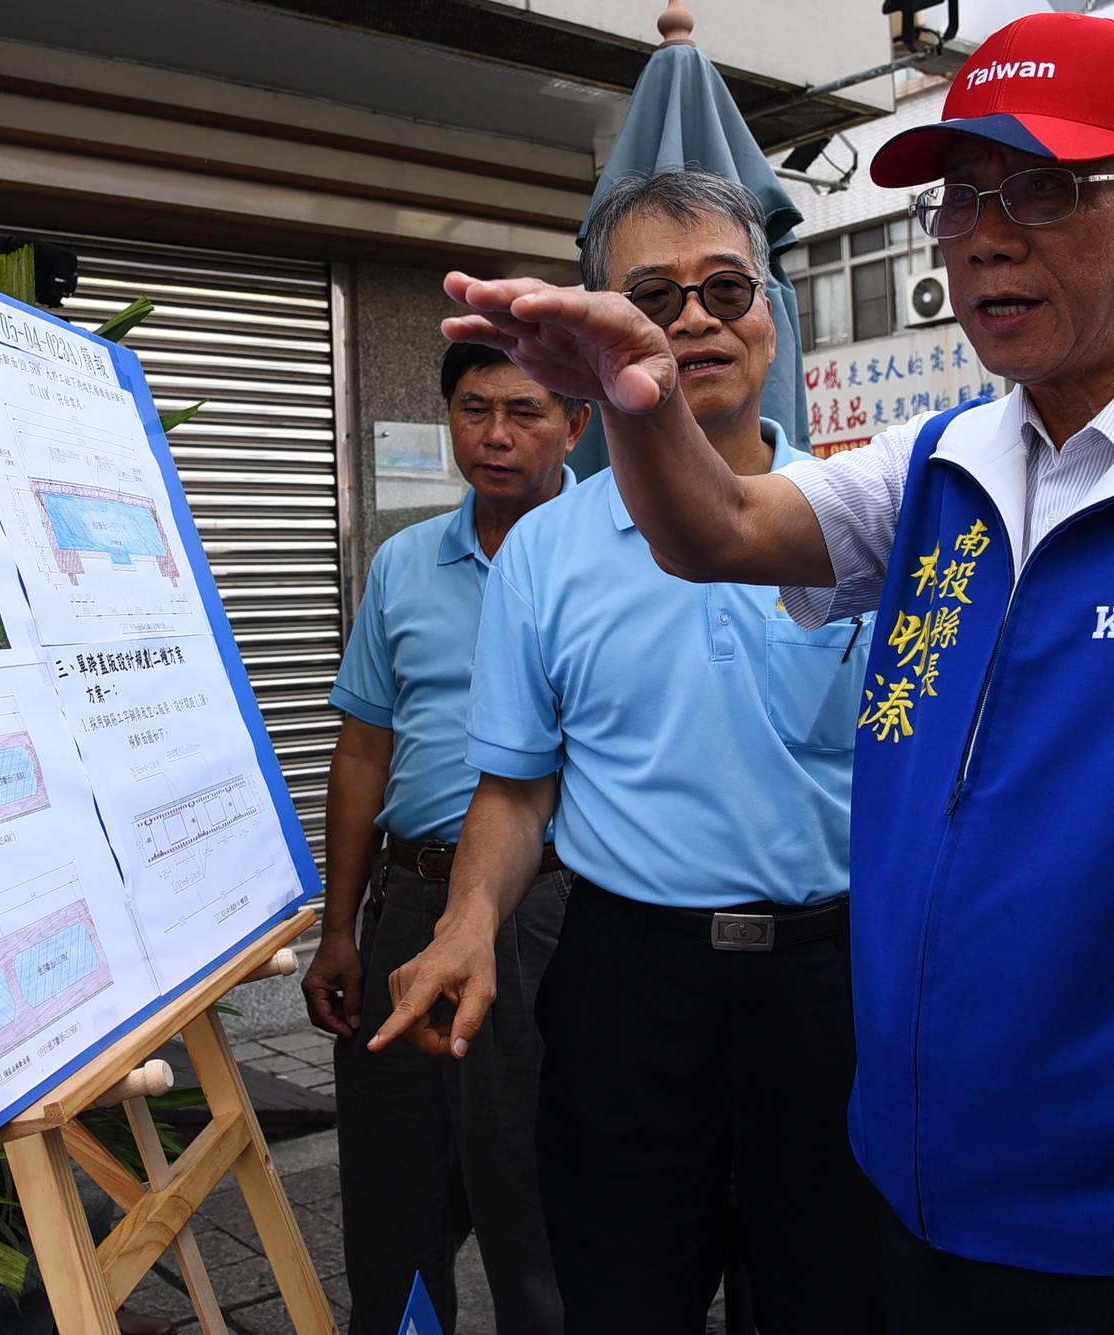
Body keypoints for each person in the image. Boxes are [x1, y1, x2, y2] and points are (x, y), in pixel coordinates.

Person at [425, 13, 1114, 1334]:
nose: (984, 236)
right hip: (913, 1195)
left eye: (1040, 189)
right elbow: (719, 531)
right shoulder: (939, 462)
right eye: (960, 198)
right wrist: (634, 394)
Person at [370, 170, 881, 1334]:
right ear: (596, 331)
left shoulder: (863, 520)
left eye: (723, 289)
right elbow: (514, 788)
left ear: (771, 313)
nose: (692, 320)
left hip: (833, 987)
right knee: (619, 1298)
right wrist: (464, 925)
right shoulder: (544, 552)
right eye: (650, 296)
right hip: (626, 987)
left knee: (833, 1301)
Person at [303, 341, 586, 1335]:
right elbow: (362, 750)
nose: (495, 435)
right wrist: (338, 927)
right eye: (473, 409)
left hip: (547, 909)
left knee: (532, 1193)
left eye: (524, 411)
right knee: (392, 1193)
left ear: (576, 425)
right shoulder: (403, 562)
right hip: (408, 902)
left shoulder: (623, 556)